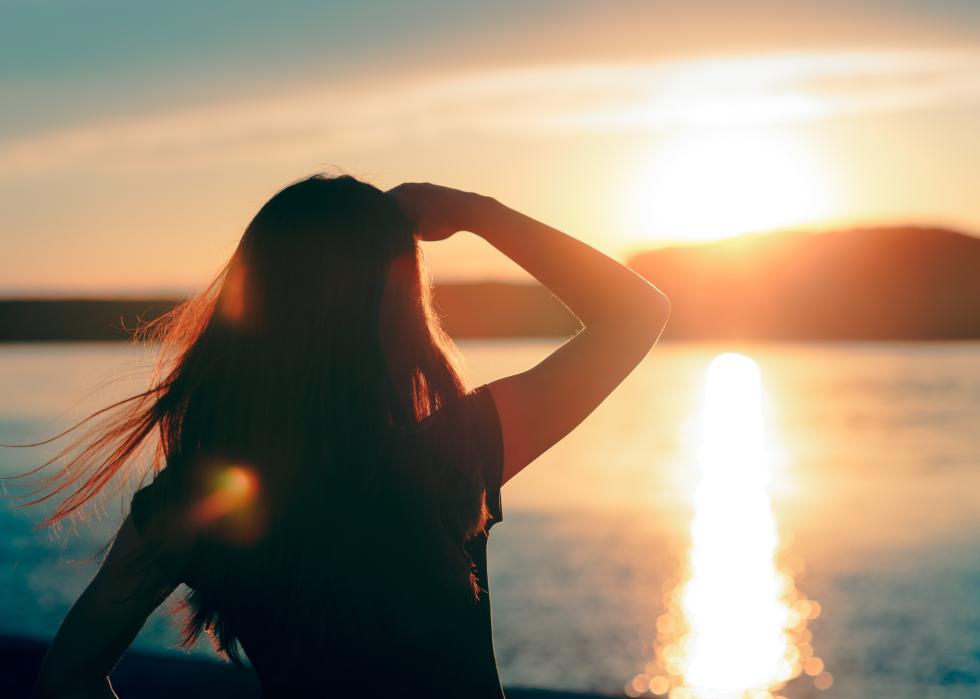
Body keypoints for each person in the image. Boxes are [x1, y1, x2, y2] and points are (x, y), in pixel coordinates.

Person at [24, 174, 670, 698]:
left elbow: (68, 676)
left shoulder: (187, 504)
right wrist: (475, 211)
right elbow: (635, 312)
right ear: (396, 316)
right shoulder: (447, 455)